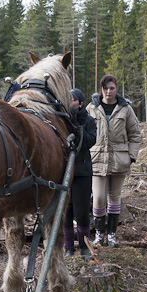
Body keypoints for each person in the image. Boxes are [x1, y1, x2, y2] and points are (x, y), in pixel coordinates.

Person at [87, 74, 141, 248]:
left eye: (112, 88)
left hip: (119, 158)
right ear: (101, 89)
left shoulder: (125, 109)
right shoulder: (92, 108)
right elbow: (84, 130)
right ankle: (98, 234)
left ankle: (111, 235)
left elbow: (135, 133)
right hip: (96, 158)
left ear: (116, 89)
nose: (109, 91)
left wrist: (131, 156)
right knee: (98, 197)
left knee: (115, 197)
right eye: (105, 88)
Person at [64, 88, 97, 260]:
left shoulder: (89, 121)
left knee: (82, 211)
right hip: (63, 173)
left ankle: (84, 246)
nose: (69, 102)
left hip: (82, 171)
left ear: (80, 103)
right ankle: (68, 246)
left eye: (73, 99)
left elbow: (90, 141)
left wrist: (78, 127)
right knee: (65, 211)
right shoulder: (62, 119)